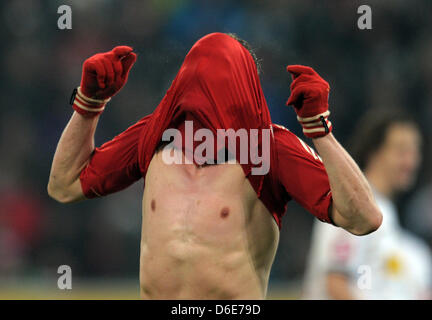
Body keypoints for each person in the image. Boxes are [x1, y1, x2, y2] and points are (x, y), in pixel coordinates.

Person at [47, 32, 381, 299]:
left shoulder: (269, 148)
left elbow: (364, 218)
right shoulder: (154, 138)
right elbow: (64, 186)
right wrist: (88, 106)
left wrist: (320, 132)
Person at [303, 109, 432, 299]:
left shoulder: (386, 214)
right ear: (374, 152)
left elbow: (366, 281)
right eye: (402, 151)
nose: (411, 161)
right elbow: (336, 283)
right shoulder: (352, 205)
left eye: (414, 151)